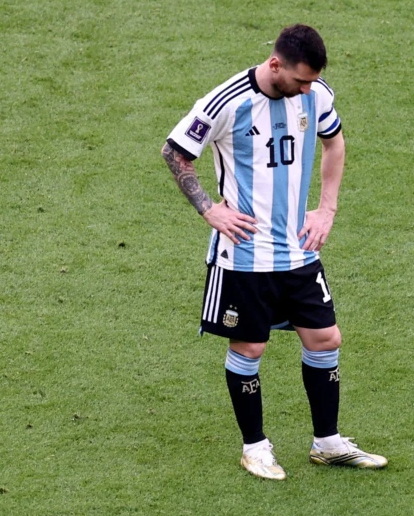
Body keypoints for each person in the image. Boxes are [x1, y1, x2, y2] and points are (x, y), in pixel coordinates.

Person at [161, 24, 386, 480]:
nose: (309, 89)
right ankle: (255, 448)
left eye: (312, 81)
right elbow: (175, 152)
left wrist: (326, 208)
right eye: (301, 80)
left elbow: (334, 141)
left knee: (326, 339)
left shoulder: (315, 94)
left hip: (298, 250)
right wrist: (209, 210)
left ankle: (327, 443)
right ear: (276, 64)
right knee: (250, 344)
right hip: (244, 254)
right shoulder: (225, 102)